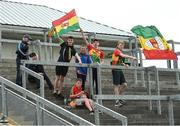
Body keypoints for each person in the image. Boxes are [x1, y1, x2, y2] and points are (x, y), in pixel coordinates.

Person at [111, 41, 137, 107]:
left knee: (125, 84)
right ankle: (117, 101)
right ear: (117, 45)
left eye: (123, 45)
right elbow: (122, 55)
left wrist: (125, 65)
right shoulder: (116, 51)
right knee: (116, 86)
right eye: (120, 45)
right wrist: (132, 57)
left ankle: (119, 97)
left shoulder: (120, 52)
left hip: (119, 69)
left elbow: (121, 61)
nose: (122, 46)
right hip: (115, 69)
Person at [80, 28, 105, 94]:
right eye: (94, 42)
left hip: (97, 68)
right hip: (91, 67)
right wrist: (82, 33)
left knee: (97, 82)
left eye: (97, 42)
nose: (96, 43)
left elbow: (102, 61)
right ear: (93, 43)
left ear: (99, 43)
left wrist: (100, 64)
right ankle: (91, 95)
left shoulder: (101, 52)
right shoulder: (90, 47)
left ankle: (98, 95)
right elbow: (85, 40)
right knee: (91, 82)